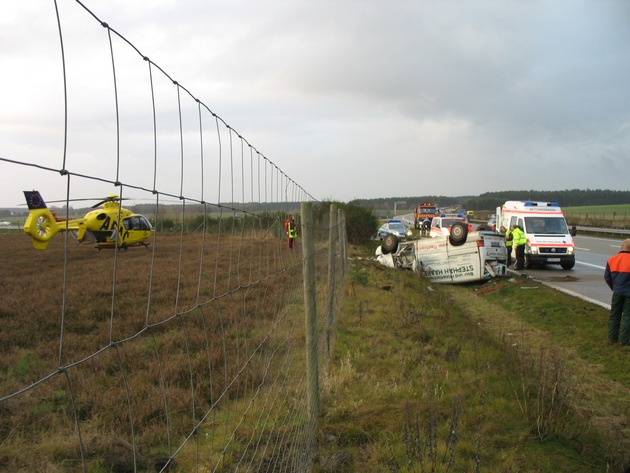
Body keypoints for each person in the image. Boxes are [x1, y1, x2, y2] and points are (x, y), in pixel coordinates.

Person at [604, 239, 630, 346]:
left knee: (615, 315)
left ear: (621, 247)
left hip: (617, 291)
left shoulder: (612, 260)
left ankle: (612, 338)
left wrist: (614, 287)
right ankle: (624, 340)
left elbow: (607, 277)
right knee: (628, 316)